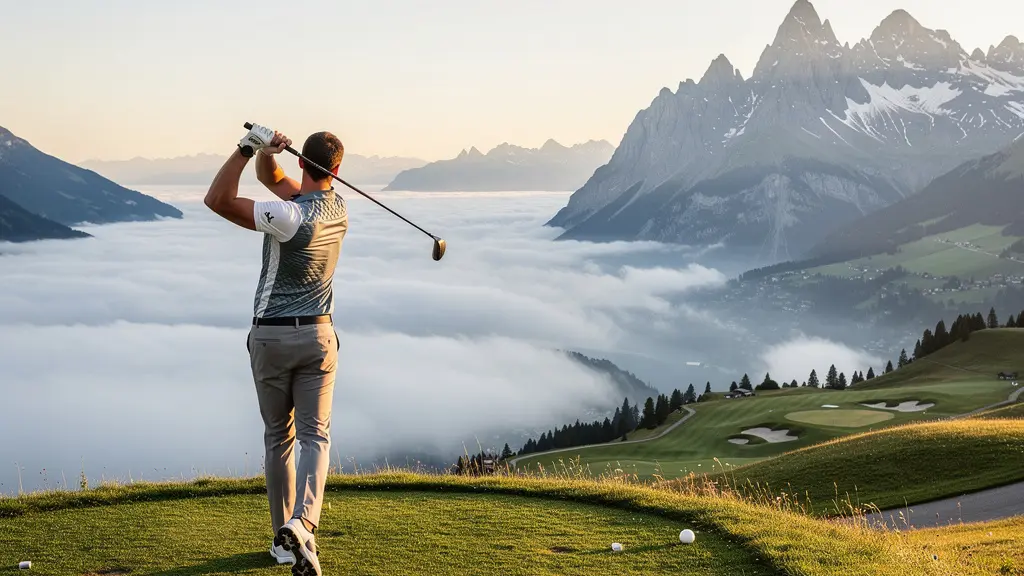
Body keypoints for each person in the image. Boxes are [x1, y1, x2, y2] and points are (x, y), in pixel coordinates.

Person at [204, 123, 348, 576]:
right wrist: (270, 154)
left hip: (271, 337)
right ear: (337, 170)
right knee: (315, 436)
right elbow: (276, 181)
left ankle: (286, 541)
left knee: (278, 439)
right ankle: (303, 524)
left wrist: (247, 148)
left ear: (303, 163)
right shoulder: (340, 209)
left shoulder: (288, 217)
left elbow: (219, 200)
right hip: (319, 339)